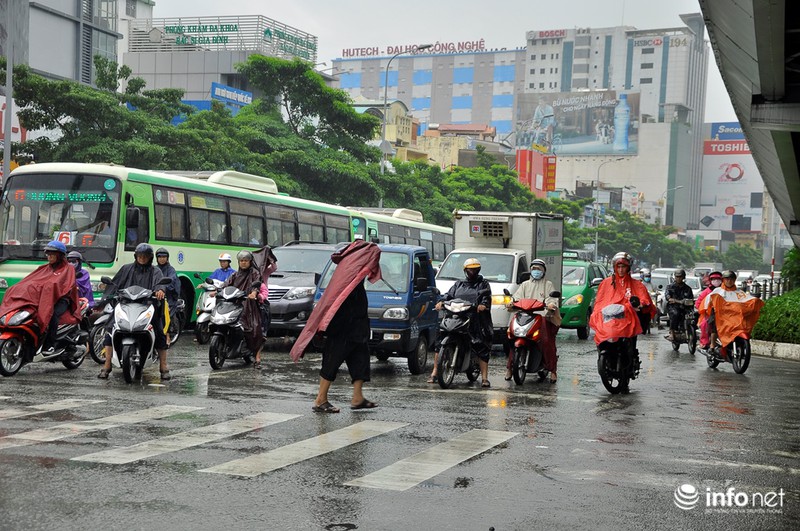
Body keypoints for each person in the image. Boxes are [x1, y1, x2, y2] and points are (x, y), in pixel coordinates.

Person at [289, 240, 382, 413]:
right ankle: (320, 400)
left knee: (360, 363)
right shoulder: (346, 278)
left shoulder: (355, 279)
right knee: (331, 363)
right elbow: (334, 306)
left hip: (358, 330)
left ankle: (357, 398)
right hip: (342, 330)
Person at [98, 244, 170, 380]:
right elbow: (115, 284)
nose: (142, 258)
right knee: (109, 327)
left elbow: (160, 284)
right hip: (125, 304)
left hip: (147, 305)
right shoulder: (126, 269)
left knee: (159, 330)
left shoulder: (156, 272)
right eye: (140, 256)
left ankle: (164, 366)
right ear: (136, 256)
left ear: (150, 257)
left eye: (145, 256)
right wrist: (107, 295)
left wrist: (160, 290)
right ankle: (107, 365)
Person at [0, 241, 81, 355]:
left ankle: (50, 345)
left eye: (52, 254)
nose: (49, 256)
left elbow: (62, 285)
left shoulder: (68, 269)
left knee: (52, 315)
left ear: (59, 255)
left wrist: (49, 288)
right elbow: (30, 281)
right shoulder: (43, 268)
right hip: (43, 299)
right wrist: (17, 288)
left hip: (61, 299)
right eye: (47, 254)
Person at [427, 258, 493, 387]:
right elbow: (448, 295)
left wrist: (483, 305)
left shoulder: (483, 284)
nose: (472, 271)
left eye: (475, 269)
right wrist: (441, 302)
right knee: (440, 341)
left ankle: (485, 378)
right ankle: (435, 372)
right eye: (470, 269)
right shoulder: (459, 284)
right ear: (465, 270)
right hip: (456, 316)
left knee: (480, 345)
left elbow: (487, 297)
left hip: (474, 318)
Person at [504, 258, 561, 383]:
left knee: (546, 341)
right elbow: (516, 298)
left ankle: (552, 370)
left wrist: (551, 305)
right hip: (525, 316)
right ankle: (509, 368)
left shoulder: (548, 284)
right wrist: (511, 303)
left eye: (538, 269)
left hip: (542, 317)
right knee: (512, 338)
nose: (536, 271)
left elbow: (552, 299)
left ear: (544, 271)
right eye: (534, 269)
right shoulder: (525, 285)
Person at [589, 252, 655, 357]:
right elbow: (599, 302)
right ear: (615, 267)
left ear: (628, 268)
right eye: (618, 267)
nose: (620, 269)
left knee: (631, 338)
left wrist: (640, 304)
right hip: (609, 319)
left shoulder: (637, 284)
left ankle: (631, 355)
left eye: (623, 267)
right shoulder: (606, 283)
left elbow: (644, 299)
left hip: (628, 318)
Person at [701, 270, 764, 356]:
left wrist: (756, 301)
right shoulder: (717, 292)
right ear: (723, 280)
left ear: (734, 280)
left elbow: (747, 300)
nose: (729, 281)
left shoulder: (739, 293)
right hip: (720, 315)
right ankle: (712, 345)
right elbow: (706, 302)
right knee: (715, 326)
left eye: (731, 279)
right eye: (727, 279)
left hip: (733, 317)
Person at [223, 250, 267, 369]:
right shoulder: (235, 275)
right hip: (236, 304)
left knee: (254, 329)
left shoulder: (255, 274)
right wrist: (215, 290)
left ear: (250, 262)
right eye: (241, 261)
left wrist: (253, 293)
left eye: (245, 261)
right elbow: (226, 284)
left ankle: (257, 356)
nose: (243, 263)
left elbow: (257, 285)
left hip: (250, 305)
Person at [155, 248, 181, 344]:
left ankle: (168, 335)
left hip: (169, 297)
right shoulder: (155, 269)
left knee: (165, 313)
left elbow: (172, 281)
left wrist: (162, 289)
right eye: (160, 257)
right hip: (156, 296)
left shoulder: (171, 270)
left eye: (164, 257)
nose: (162, 259)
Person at [664, 269, 694, 341]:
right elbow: (667, 296)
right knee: (675, 313)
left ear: (683, 277)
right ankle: (672, 331)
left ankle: (692, 331)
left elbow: (691, 298)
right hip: (673, 307)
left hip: (685, 307)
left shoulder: (688, 288)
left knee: (694, 315)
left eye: (680, 277)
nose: (678, 278)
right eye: (677, 277)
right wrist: (671, 299)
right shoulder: (670, 287)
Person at [695, 271, 722, 350]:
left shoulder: (725, 290)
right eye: (714, 279)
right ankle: (704, 342)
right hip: (709, 314)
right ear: (710, 280)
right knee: (704, 324)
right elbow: (698, 303)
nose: (716, 281)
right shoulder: (706, 292)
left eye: (718, 279)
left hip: (724, 313)